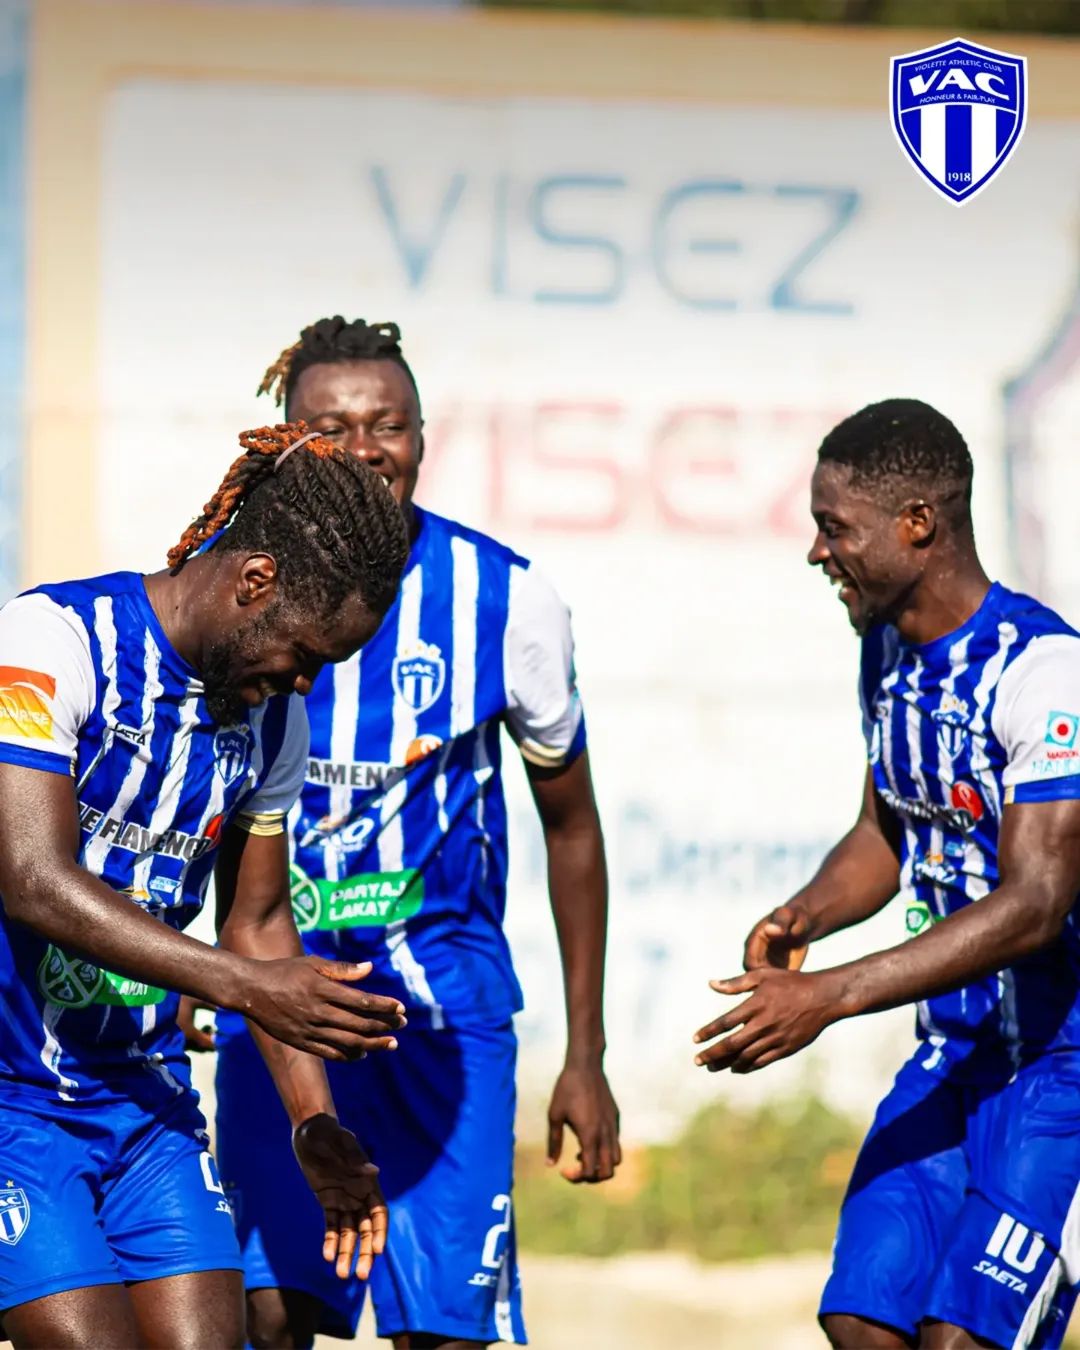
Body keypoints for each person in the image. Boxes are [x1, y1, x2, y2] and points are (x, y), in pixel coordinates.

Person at [186, 316, 621, 1349]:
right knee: (268, 1310)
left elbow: (572, 829)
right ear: (282, 442)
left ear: (423, 438)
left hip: (441, 1015)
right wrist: (189, 972)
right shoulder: (224, 588)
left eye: (388, 424)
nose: (363, 448)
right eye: (331, 426)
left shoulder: (506, 600)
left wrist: (587, 1052)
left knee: (445, 1330)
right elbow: (178, 794)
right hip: (281, 1001)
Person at [0, 422, 410, 1349]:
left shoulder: (273, 724)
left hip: (144, 1102)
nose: (303, 680)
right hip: (11, 1095)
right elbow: (29, 876)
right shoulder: (55, 640)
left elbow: (259, 927)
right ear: (254, 580)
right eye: (303, 652)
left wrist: (313, 1122)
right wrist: (233, 983)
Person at [694, 399, 1080, 1350]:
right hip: (953, 1053)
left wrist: (828, 995)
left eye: (835, 529)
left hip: (1061, 1072)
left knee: (961, 1340)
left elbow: (1034, 906)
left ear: (917, 526)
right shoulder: (886, 649)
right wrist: (805, 916)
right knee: (861, 1318)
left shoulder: (1044, 672)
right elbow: (886, 831)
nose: (818, 554)